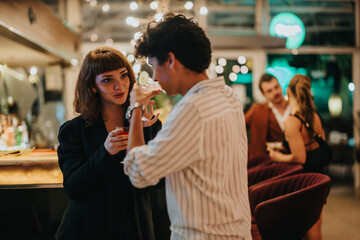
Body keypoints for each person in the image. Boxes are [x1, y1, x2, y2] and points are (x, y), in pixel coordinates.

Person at [123, 13, 251, 240]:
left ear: (170, 61)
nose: (155, 76)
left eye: (154, 66)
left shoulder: (191, 110)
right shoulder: (229, 96)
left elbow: (138, 172)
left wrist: (136, 108)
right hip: (238, 230)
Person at [56, 46, 168, 240]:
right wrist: (105, 152)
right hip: (87, 229)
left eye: (123, 75)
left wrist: (145, 131)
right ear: (92, 86)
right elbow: (73, 188)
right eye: (108, 80)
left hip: (134, 227)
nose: (120, 86)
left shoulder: (148, 123)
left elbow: (159, 181)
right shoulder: (74, 130)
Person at [267, 73, 327, 240]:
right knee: (315, 227)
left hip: (304, 179)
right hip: (320, 176)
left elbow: (300, 158)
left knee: (308, 232)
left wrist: (277, 156)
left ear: (288, 91)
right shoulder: (315, 117)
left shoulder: (291, 121)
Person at [245, 73, 290, 160]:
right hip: (270, 163)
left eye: (276, 87)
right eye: (269, 91)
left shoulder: (295, 107)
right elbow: (237, 125)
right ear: (263, 94)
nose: (275, 92)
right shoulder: (257, 110)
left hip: (296, 159)